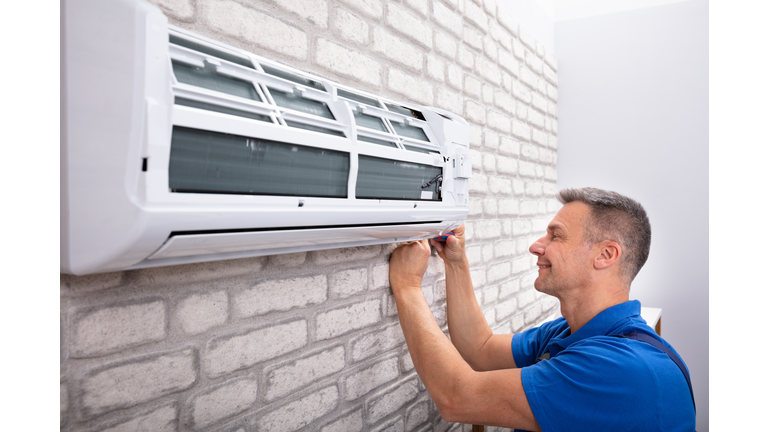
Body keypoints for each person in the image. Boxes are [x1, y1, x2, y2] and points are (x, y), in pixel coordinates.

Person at [389, 187, 695, 431]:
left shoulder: (620, 368)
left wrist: (408, 288)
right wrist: (456, 263)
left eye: (556, 235)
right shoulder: (570, 332)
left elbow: (456, 398)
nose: (536, 245)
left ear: (605, 254)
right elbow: (479, 350)